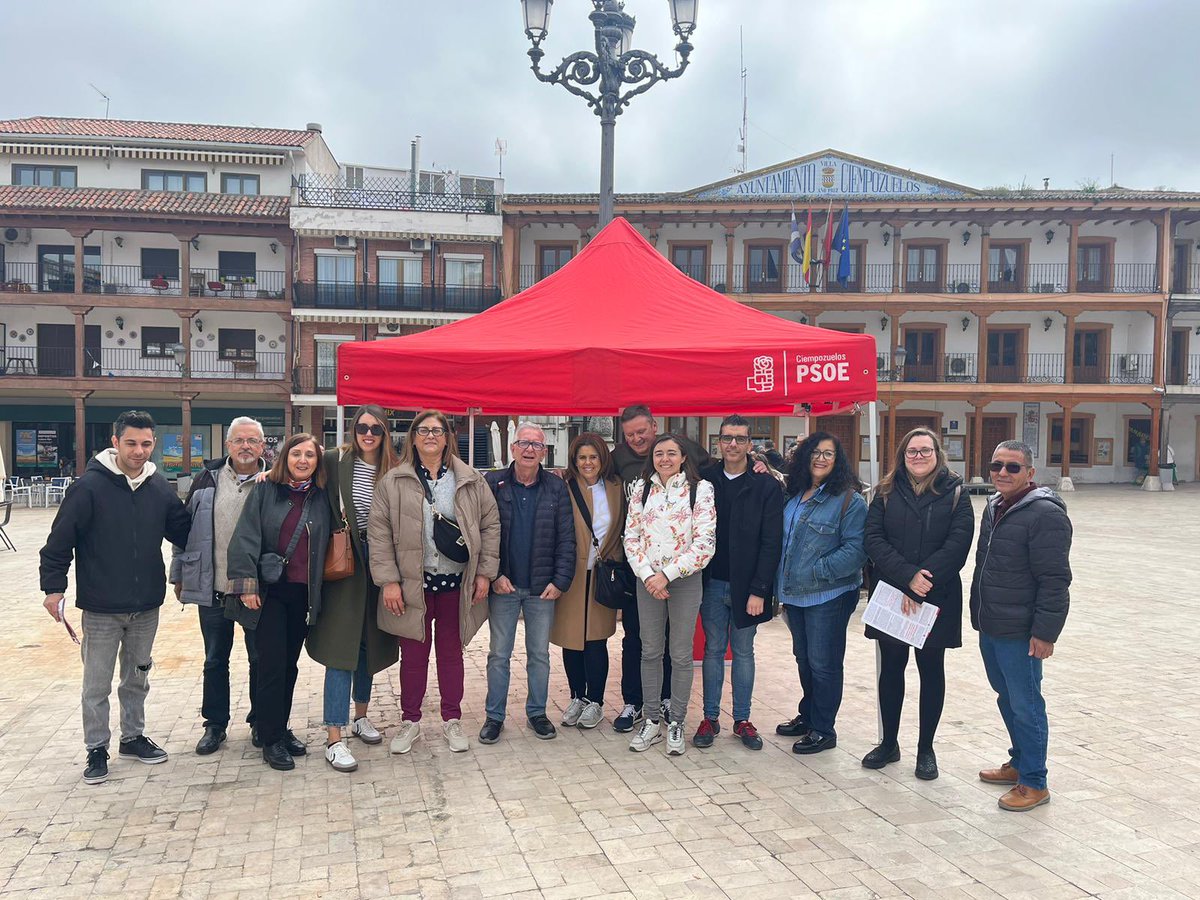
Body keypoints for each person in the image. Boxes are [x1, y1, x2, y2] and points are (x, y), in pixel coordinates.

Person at [40, 410, 191, 784]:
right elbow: (59, 543)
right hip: (101, 607)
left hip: (146, 606)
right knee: (96, 683)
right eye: (131, 443)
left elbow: (184, 532)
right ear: (115, 443)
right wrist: (53, 588)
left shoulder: (159, 488)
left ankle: (133, 737)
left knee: (137, 677)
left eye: (145, 444)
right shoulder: (89, 487)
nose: (139, 451)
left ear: (153, 444)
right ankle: (96, 748)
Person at [370, 410, 500, 754]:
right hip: (413, 584)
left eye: (437, 431)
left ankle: (451, 719)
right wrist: (389, 581)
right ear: (412, 437)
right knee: (413, 655)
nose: (430, 436)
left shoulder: (469, 480)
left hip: (457, 583)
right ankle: (410, 721)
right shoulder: (394, 481)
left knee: (450, 654)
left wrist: (485, 572)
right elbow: (379, 533)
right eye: (423, 430)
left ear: (447, 438)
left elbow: (490, 525)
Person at [862, 427, 975, 779]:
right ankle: (889, 742)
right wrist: (906, 577)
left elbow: (959, 543)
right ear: (902, 455)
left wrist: (923, 580)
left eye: (925, 451)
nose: (919, 457)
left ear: (938, 454)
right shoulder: (884, 491)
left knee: (931, 671)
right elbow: (873, 539)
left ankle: (926, 748)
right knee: (891, 669)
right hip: (895, 592)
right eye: (912, 451)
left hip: (935, 595)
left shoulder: (955, 492)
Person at [971, 440, 1072, 812]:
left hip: (1022, 631)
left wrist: (1045, 633)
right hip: (992, 623)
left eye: (1012, 467)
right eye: (996, 465)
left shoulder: (1045, 514)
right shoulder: (994, 506)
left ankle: (1034, 781)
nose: (1002, 473)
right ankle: (1019, 762)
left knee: (1027, 704)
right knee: (1008, 698)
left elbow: (1055, 579)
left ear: (1030, 473)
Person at [227, 433, 333, 771]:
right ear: (285, 457)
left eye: (310, 456)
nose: (303, 461)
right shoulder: (264, 491)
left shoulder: (320, 497)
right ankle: (270, 738)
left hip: (303, 593)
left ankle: (279, 727)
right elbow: (244, 537)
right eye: (297, 454)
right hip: (269, 591)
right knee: (271, 665)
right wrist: (246, 585)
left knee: (289, 665)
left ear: (318, 462)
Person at [306, 405, 401, 773]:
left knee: (368, 644)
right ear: (352, 429)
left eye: (376, 428)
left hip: (380, 561)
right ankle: (334, 736)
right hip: (344, 560)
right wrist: (269, 475)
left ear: (385, 433)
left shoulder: (393, 468)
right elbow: (298, 468)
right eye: (362, 427)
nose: (368, 434)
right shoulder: (334, 460)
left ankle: (361, 715)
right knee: (339, 649)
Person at [609, 405, 713, 732]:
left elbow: (704, 542)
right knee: (645, 647)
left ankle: (675, 715)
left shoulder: (700, 487)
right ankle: (645, 711)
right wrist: (648, 575)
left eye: (671, 453)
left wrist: (665, 575)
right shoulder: (637, 485)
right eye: (659, 454)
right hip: (644, 579)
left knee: (680, 653)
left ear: (683, 456)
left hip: (682, 579)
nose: (664, 458)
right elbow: (631, 535)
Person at [170, 415, 269, 756]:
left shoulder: (273, 480)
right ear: (228, 445)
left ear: (262, 446)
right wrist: (179, 574)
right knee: (215, 659)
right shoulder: (206, 479)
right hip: (214, 586)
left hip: (257, 590)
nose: (246, 446)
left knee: (261, 658)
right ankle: (215, 725)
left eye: (252, 441)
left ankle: (261, 721)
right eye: (239, 440)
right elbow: (183, 530)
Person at [481, 423, 575, 743]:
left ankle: (537, 712)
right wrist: (493, 575)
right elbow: (481, 533)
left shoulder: (556, 487)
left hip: (541, 589)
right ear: (512, 448)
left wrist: (561, 581)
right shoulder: (492, 483)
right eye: (523, 443)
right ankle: (494, 716)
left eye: (536, 445)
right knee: (498, 655)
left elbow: (567, 538)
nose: (530, 449)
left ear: (544, 452)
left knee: (539, 655)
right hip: (503, 586)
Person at [694, 415, 783, 751]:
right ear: (718, 442)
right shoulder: (703, 480)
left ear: (750, 444)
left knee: (744, 652)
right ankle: (710, 717)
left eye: (740, 439)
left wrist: (760, 589)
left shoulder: (766, 485)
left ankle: (742, 719)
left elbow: (771, 542)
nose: (733, 444)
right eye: (726, 438)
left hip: (749, 587)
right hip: (712, 583)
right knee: (713, 650)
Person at [775, 431, 867, 756]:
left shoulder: (848, 500)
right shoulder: (794, 493)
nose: (821, 458)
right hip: (793, 594)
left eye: (828, 453)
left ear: (837, 459)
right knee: (804, 659)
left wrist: (816, 571)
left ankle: (824, 729)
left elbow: (856, 550)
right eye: (815, 452)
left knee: (824, 663)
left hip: (828, 594)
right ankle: (809, 715)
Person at [552, 433, 625, 730]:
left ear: (602, 458)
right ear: (574, 460)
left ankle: (595, 701)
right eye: (582, 457)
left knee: (596, 640)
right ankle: (577, 697)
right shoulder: (563, 487)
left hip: (604, 573)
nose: (587, 463)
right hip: (572, 572)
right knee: (572, 640)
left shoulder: (618, 488)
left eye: (593, 456)